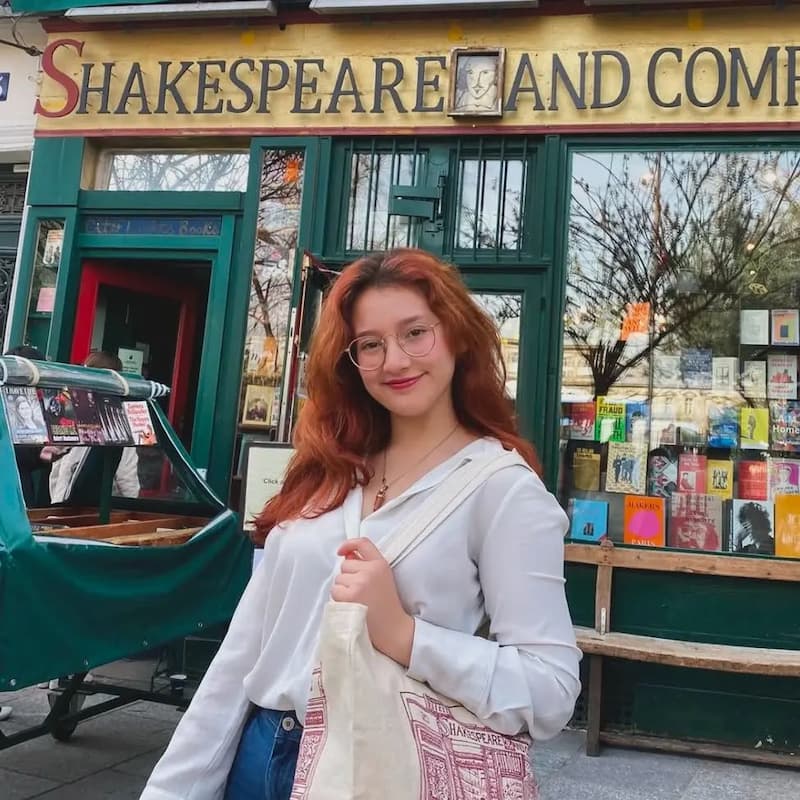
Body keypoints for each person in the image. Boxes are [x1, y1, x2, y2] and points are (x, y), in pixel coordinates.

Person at [141, 249, 581, 800]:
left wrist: (404, 635)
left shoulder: (501, 489)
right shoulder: (330, 466)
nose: (395, 360)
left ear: (457, 335)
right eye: (370, 344)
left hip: (381, 766)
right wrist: (173, 788)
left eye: (415, 333)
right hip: (258, 754)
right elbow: (246, 648)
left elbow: (550, 690)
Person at [48, 351, 140, 502]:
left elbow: (56, 470)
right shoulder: (119, 421)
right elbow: (126, 479)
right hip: (96, 508)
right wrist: (132, 507)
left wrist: (57, 501)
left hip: (63, 503)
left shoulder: (69, 412)